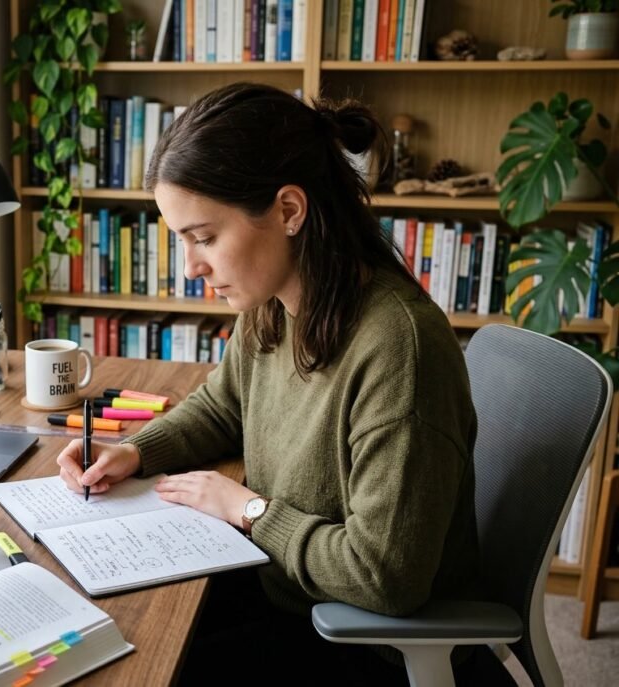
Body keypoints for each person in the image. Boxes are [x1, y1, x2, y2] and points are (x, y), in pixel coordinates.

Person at [56, 83, 510, 685]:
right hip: (286, 588)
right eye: (181, 240)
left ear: (289, 211)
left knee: (136, 664)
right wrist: (137, 450)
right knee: (113, 628)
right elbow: (223, 409)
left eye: (204, 237)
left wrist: (246, 508)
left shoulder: (399, 348)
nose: (190, 267)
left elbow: (384, 577)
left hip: (360, 643)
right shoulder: (275, 304)